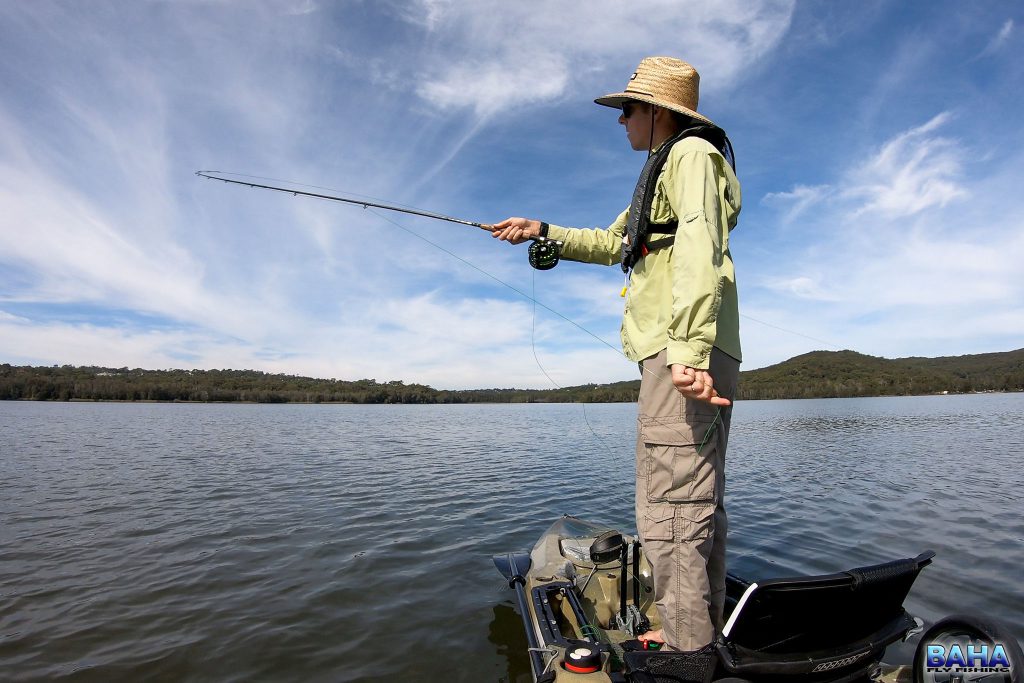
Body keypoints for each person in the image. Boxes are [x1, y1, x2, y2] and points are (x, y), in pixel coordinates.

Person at [491, 56, 742, 652]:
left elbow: (700, 244)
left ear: (656, 111)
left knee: (672, 509)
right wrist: (542, 229)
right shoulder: (665, 167)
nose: (620, 119)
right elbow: (615, 243)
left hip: (680, 348)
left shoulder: (689, 156)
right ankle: (692, 627)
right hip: (678, 348)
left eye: (626, 108)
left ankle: (688, 653)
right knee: (689, 498)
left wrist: (686, 351)